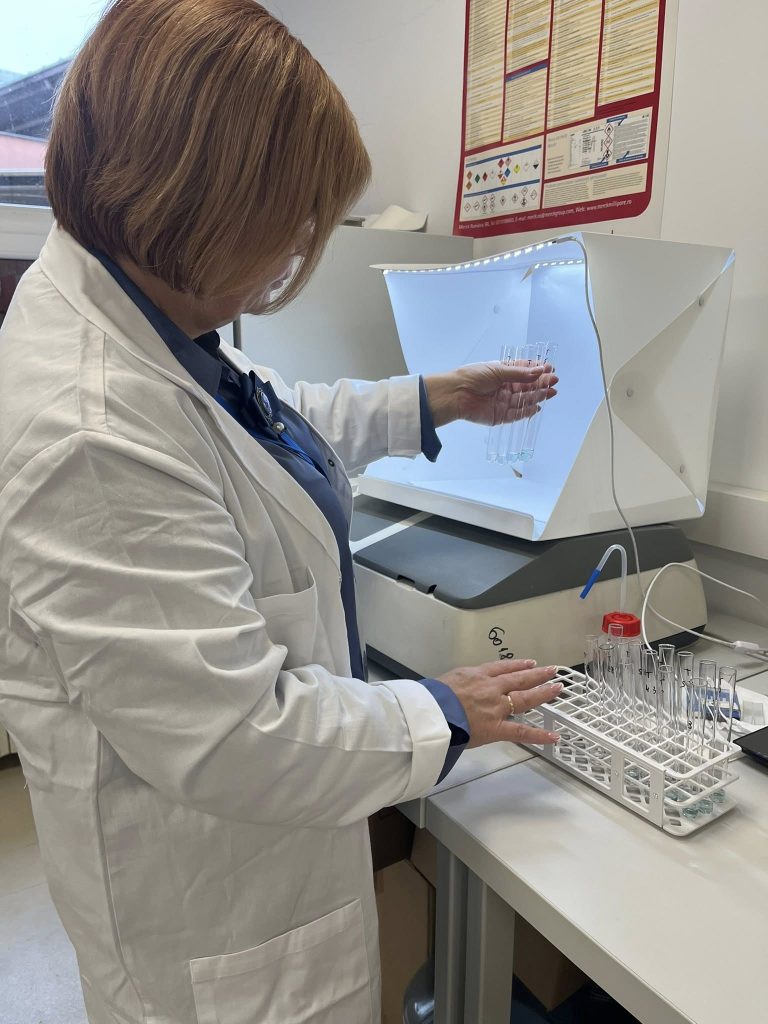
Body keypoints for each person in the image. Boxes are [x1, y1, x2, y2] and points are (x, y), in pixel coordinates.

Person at [0, 2, 561, 1022]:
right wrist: (440, 710)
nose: (301, 245)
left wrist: (434, 398)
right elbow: (234, 737)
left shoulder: (145, 317)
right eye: (294, 216)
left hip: (260, 851)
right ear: (202, 199)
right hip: (213, 923)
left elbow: (261, 425)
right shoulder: (90, 430)